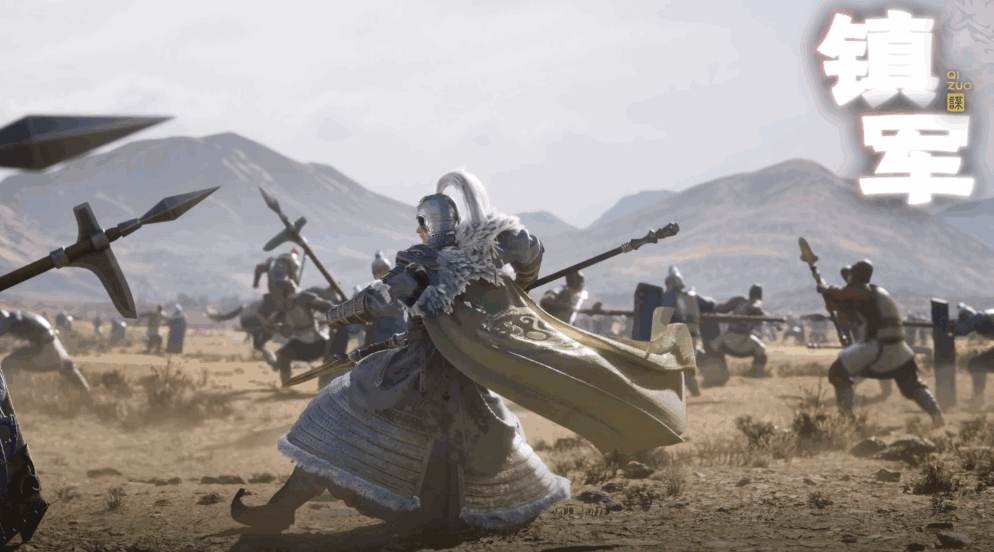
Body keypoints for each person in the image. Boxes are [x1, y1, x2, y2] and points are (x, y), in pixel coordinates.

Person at [231, 170, 693, 535]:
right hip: (469, 368)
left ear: (425, 226)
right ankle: (291, 509)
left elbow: (379, 300)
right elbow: (530, 253)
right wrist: (517, 277)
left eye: (419, 224)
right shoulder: (485, 259)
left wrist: (337, 315)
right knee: (475, 437)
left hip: (417, 369)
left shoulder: (421, 262)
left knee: (340, 417)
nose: (416, 230)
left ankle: (285, 509)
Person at [819, 259, 944, 427]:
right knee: (911, 384)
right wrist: (834, 303)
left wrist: (829, 290)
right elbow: (844, 314)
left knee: (838, 373)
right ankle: (937, 415)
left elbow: (845, 294)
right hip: (899, 349)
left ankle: (846, 421)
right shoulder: (875, 295)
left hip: (877, 346)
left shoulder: (867, 290)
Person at [0, 308, 90, 392]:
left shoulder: (12, 318)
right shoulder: (16, 315)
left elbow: (6, 327)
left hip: (46, 345)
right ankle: (86, 392)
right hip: (48, 342)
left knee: (9, 362)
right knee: (67, 367)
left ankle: (9, 392)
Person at [711, 284, 769, 378]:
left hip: (731, 340)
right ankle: (721, 373)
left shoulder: (739, 301)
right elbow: (720, 308)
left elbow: (720, 308)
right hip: (736, 340)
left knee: (761, 350)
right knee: (761, 352)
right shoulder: (741, 301)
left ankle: (754, 372)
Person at [953, 303, 994, 410]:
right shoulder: (986, 316)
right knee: (977, 362)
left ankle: (977, 400)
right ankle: (977, 399)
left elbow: (961, 330)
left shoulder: (980, 317)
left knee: (976, 363)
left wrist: (948, 325)